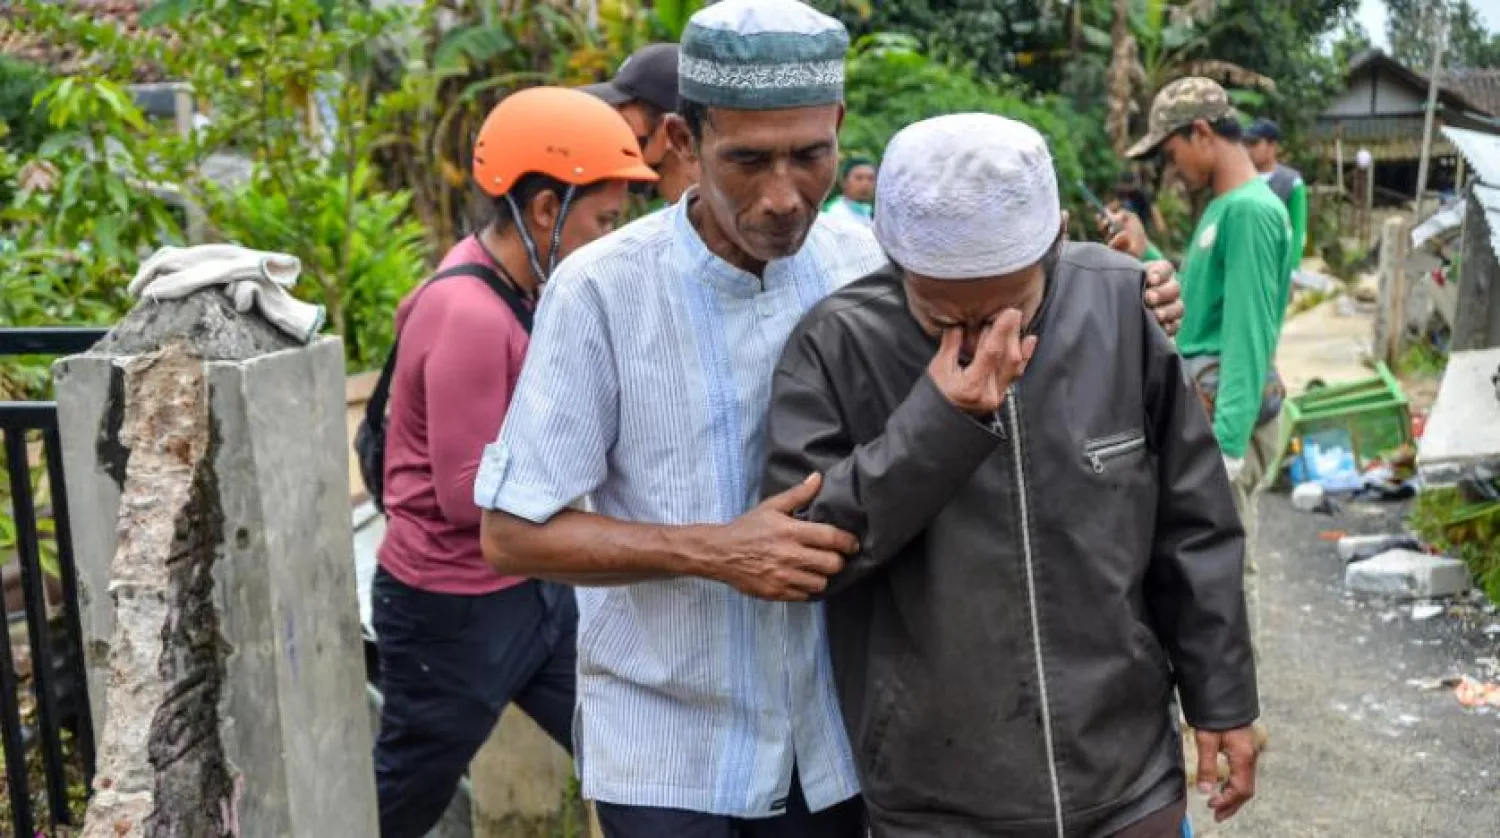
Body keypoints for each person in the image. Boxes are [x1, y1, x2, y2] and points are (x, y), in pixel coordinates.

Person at [474, 2, 1186, 835]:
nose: (782, 196)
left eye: (809, 156)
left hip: (841, 742)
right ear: (680, 141)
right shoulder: (600, 292)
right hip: (672, 754)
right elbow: (511, 534)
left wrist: (1119, 299)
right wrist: (714, 551)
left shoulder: (875, 263)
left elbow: (1010, 319)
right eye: (746, 160)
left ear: (840, 128)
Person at [762, 112, 1260, 838]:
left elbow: (1195, 526)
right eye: (940, 316)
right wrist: (937, 421)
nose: (985, 341)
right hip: (937, 802)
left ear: (1055, 240)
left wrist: (1223, 701)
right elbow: (806, 548)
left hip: (1127, 783)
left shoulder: (1123, 304)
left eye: (1009, 309)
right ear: (895, 256)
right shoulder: (835, 346)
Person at [371, 86, 656, 838]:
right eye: (605, 221)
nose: (612, 239)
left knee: (629, 753)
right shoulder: (468, 312)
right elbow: (469, 498)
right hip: (451, 611)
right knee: (401, 800)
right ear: (542, 213)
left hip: (529, 596)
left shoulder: (518, 286)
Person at [1111, 78, 1296, 662]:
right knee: (1207, 565)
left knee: (1226, 569)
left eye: (1172, 153)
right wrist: (1144, 254)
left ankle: (1238, 718)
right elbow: (1197, 310)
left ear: (1202, 133)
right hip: (1207, 402)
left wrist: (1229, 445)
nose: (1174, 168)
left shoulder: (1251, 211)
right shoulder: (1226, 208)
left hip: (1226, 410)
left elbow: (1248, 333)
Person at [584, 43, 699, 205]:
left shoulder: (727, 224)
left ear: (673, 133)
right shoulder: (672, 221)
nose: (613, 135)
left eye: (624, 124)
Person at [1244, 118, 1307, 263]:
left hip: (1276, 260)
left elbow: (1298, 229)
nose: (1248, 150)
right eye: (1245, 144)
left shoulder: (1291, 182)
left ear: (1272, 145)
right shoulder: (1237, 179)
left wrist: (1292, 267)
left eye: (1254, 144)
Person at [823, 155, 876, 227]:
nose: (865, 184)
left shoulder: (871, 213)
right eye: (859, 178)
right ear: (844, 181)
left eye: (870, 179)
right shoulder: (833, 214)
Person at [1114, 169, 1167, 235]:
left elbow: (1154, 210)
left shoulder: (1142, 193)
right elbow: (1116, 203)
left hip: (1139, 222)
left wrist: (1160, 226)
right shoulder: (1122, 191)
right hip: (1125, 221)